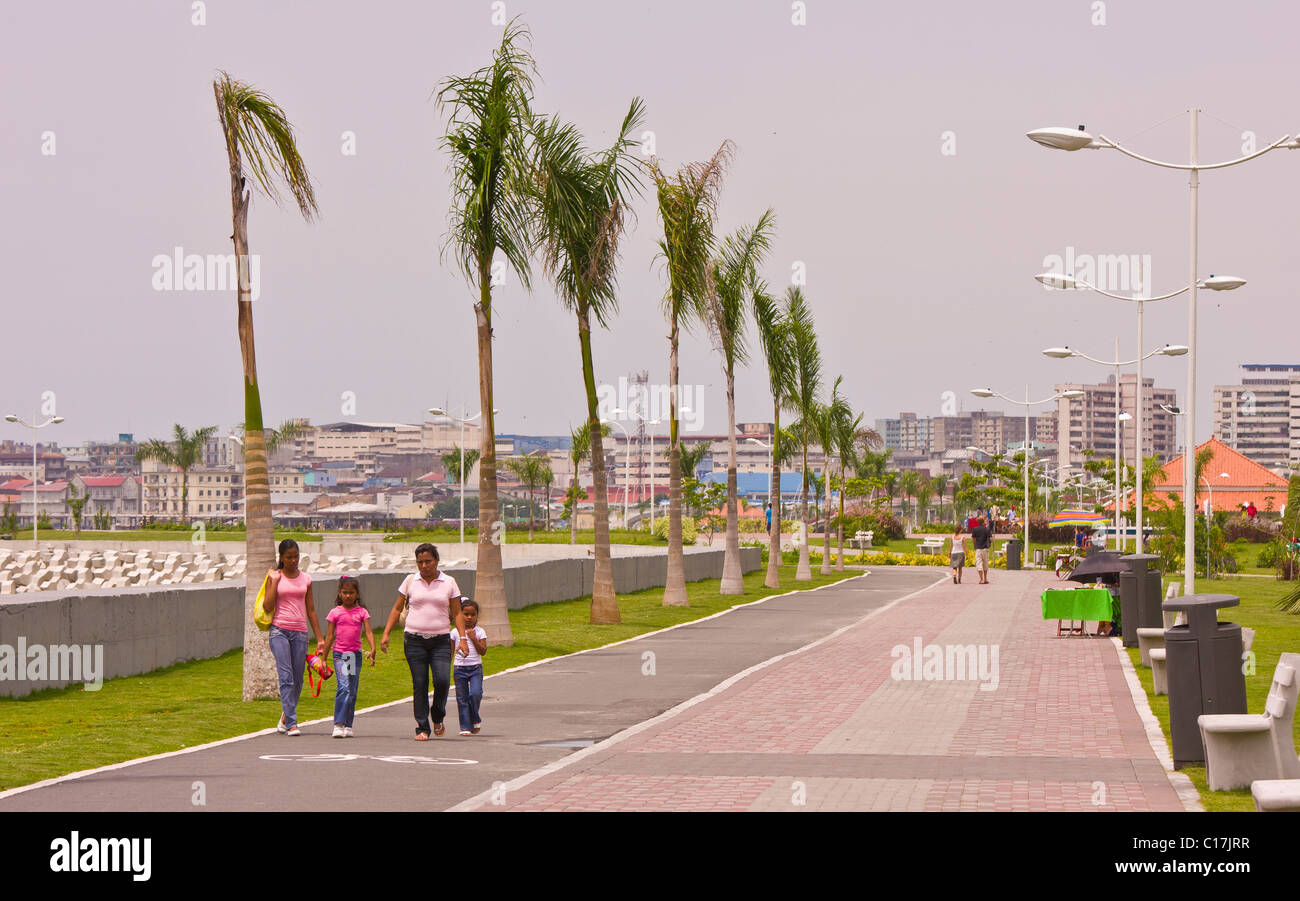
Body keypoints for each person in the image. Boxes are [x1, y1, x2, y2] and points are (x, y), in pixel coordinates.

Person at [380, 543, 465, 740]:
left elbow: (457, 612)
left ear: (436, 561)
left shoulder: (449, 582)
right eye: (420, 562)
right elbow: (396, 608)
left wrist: (462, 638)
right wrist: (386, 634)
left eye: (428, 561)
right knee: (420, 683)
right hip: (414, 640)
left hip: (441, 640)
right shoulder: (411, 581)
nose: (424, 566)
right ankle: (422, 727)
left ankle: (437, 715)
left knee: (442, 681)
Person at [263, 538, 325, 737]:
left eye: (296, 556)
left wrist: (320, 638)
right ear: (281, 557)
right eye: (289, 557)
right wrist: (274, 582)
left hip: (300, 633)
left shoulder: (306, 579)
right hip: (279, 631)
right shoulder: (274, 576)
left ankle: (284, 717)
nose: (293, 561)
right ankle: (292, 723)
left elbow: (312, 610)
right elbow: (267, 606)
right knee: (286, 677)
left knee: (298, 679)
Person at [321, 576, 375, 738]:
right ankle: (338, 723)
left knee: (352, 691)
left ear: (357, 594)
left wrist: (373, 649)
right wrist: (324, 658)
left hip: (355, 656)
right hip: (340, 656)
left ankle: (348, 724)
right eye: (344, 592)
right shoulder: (335, 612)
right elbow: (329, 636)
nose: (348, 596)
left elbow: (369, 632)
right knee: (343, 687)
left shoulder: (362, 612)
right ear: (339, 593)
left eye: (351, 593)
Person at [449, 598, 487, 736]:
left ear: (477, 616)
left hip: (475, 668)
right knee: (462, 698)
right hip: (460, 669)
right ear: (460, 615)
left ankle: (475, 718)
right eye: (466, 614)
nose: (469, 618)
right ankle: (465, 726)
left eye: (473, 615)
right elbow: (450, 652)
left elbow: (483, 651)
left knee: (475, 694)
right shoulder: (454, 632)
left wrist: (473, 638)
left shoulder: (480, 631)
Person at [971, 516, 992, 584]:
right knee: (985, 564)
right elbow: (990, 539)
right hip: (985, 548)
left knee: (979, 564)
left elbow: (973, 539)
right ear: (983, 522)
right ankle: (985, 579)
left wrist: (975, 545)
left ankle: (981, 579)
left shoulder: (975, 529)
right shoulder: (987, 529)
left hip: (978, 548)